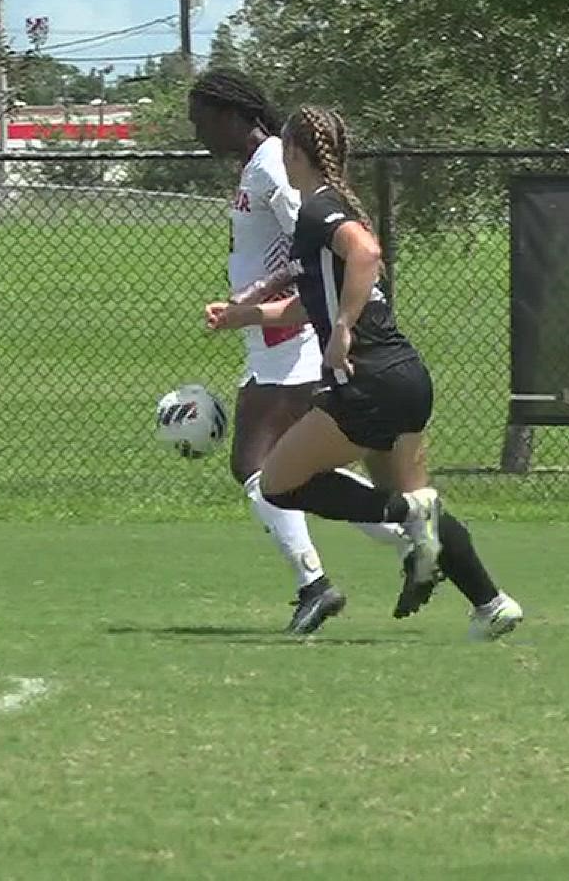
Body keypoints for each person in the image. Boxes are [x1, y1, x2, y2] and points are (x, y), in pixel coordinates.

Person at [207, 104, 525, 639]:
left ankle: (405, 511)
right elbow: (311, 303)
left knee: (277, 484)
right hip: (404, 376)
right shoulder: (330, 205)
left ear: (292, 153)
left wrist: (345, 330)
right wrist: (245, 314)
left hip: (368, 379)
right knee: (420, 512)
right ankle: (490, 604)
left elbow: (366, 252)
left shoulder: (319, 210)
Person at [189, 71, 405, 635]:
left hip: (287, 335)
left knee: (254, 467)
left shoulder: (268, 164)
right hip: (272, 334)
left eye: (201, 119)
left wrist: (258, 296)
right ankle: (416, 535)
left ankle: (316, 583)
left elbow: (309, 242)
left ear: (230, 115)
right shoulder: (254, 166)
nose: (197, 132)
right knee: (299, 470)